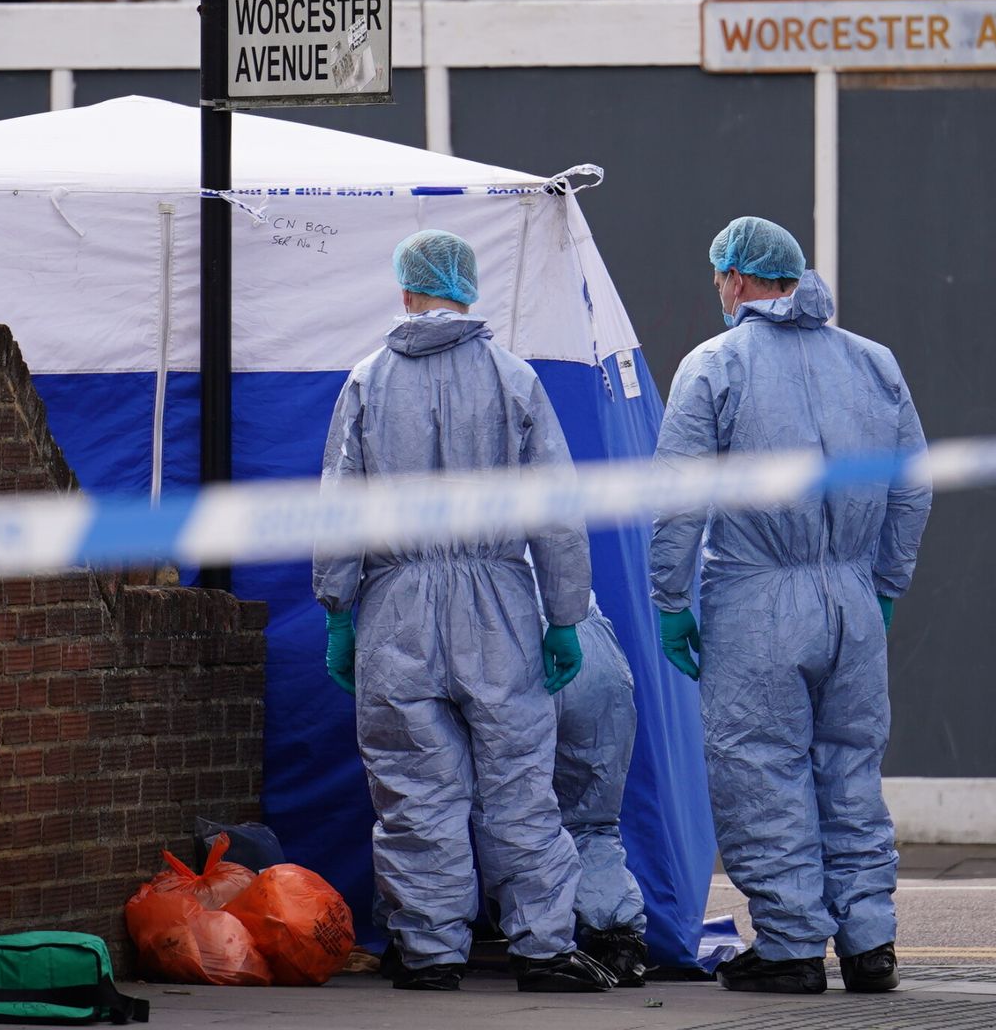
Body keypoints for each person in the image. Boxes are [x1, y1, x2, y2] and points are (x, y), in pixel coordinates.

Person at [313, 229, 614, 994]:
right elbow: (555, 506)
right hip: (498, 608)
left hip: (397, 609)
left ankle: (429, 951)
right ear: (468, 286)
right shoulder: (513, 380)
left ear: (405, 287)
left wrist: (339, 610)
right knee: (518, 779)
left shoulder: (366, 382)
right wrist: (565, 614)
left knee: (415, 787)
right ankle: (542, 948)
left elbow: (340, 509)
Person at [648, 216, 932, 995]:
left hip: (756, 594)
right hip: (850, 592)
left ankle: (791, 947)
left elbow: (677, 501)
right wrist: (884, 587)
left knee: (761, 768)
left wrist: (670, 600)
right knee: (850, 769)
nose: (718, 291)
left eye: (719, 278)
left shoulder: (715, 365)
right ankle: (871, 942)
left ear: (737, 279)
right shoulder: (873, 363)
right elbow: (911, 487)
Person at [551, 595, 649, 987]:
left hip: (507, 640)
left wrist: (339, 616)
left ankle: (429, 948)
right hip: (591, 639)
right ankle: (618, 940)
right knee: (591, 819)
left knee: (503, 811)